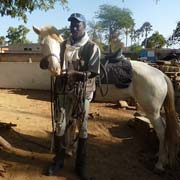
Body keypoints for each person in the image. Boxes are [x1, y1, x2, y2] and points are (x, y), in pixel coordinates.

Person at [46, 13, 101, 180]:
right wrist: (46, 62)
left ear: (84, 26)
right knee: (60, 125)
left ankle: (80, 166)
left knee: (82, 127)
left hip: (82, 92)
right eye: (72, 25)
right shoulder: (63, 45)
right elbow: (55, 62)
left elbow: (93, 72)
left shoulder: (92, 47)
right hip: (63, 90)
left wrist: (74, 73)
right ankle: (59, 161)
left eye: (78, 25)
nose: (74, 27)